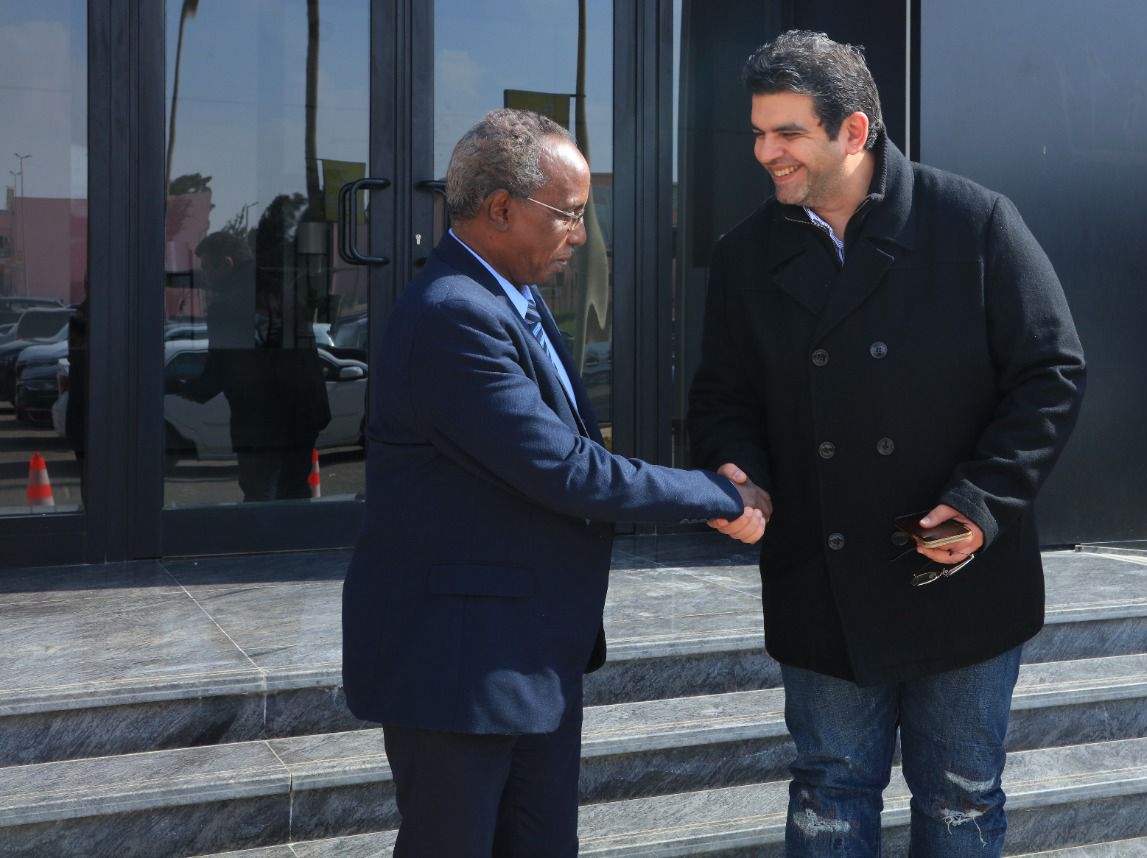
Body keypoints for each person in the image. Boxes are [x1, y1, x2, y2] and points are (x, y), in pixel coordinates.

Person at [688, 30, 1085, 856]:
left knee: (961, 801)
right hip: (819, 577)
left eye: (787, 132)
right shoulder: (744, 255)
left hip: (958, 570)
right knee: (829, 795)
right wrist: (737, 472)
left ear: (854, 131)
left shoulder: (974, 222)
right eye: (758, 133)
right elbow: (724, 398)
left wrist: (981, 503)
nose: (765, 153)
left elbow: (1050, 374)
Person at [342, 108, 771, 858]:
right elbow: (565, 468)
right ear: (500, 208)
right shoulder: (453, 316)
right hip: (461, 666)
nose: (579, 235)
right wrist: (720, 495)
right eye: (568, 214)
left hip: (524, 654)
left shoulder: (512, 299)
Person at [182, 229, 330, 499]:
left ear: (227, 263)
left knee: (260, 499)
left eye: (207, 267)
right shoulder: (285, 292)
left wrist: (184, 388)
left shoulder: (227, 306)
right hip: (303, 416)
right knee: (295, 494)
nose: (205, 275)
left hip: (261, 424)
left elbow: (223, 367)